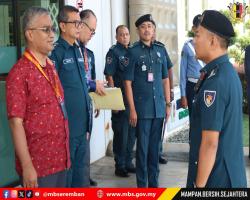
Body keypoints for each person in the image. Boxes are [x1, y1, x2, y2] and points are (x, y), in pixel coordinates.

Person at [6, 7, 70, 188]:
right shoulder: (19, 73)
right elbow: (15, 123)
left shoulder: (50, 67)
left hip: (61, 160)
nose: (52, 35)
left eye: (53, 29)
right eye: (45, 30)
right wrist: (27, 166)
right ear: (30, 35)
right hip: (39, 168)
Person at [187, 10, 247, 188]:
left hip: (216, 179)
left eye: (198, 35)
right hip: (228, 175)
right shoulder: (225, 72)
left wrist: (199, 188)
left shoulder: (216, 81)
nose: (194, 40)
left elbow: (210, 143)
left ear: (212, 40)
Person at [124, 14, 171, 188]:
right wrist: (133, 110)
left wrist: (167, 104)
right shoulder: (133, 52)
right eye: (143, 26)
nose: (147, 29)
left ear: (154, 30)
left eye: (150, 26)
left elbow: (165, 80)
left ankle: (154, 188)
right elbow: (127, 83)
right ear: (138, 30)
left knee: (154, 152)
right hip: (142, 111)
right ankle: (142, 189)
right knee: (142, 152)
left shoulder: (160, 50)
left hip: (158, 109)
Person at [50, 5, 93, 187]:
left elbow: (82, 85)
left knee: (81, 179)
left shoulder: (78, 50)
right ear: (62, 26)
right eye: (75, 22)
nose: (79, 26)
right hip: (67, 131)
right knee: (66, 181)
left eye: (80, 23)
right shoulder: (56, 52)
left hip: (83, 128)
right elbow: (53, 92)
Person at [104, 25, 136, 177]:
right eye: (121, 35)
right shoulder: (113, 52)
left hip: (131, 99)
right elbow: (109, 76)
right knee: (121, 133)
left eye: (127, 34)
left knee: (131, 132)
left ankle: (129, 162)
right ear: (116, 37)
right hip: (120, 98)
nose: (125, 37)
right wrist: (113, 102)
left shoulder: (132, 51)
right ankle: (120, 165)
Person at [78, 9, 99, 186]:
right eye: (91, 30)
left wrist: (96, 99)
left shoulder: (88, 53)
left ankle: (86, 174)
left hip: (88, 104)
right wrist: (93, 86)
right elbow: (81, 81)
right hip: (75, 108)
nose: (92, 34)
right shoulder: (68, 51)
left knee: (87, 140)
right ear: (80, 24)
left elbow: (90, 78)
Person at [152, 22, 173, 165]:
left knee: (160, 126)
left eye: (151, 29)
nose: (149, 32)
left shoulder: (161, 48)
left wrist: (170, 90)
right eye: (144, 27)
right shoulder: (136, 50)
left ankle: (158, 152)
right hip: (147, 97)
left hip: (160, 94)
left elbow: (169, 69)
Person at [180, 14, 203, 119]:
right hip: (192, 87)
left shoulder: (210, 45)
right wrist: (183, 95)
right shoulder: (187, 46)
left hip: (206, 84)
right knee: (194, 120)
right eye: (198, 27)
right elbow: (183, 71)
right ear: (193, 28)